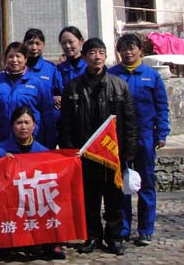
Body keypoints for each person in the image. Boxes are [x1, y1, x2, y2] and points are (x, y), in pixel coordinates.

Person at [60, 38, 137, 256]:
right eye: (92, 53)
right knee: (89, 198)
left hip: (112, 151)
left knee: (114, 197)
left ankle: (115, 237)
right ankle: (92, 235)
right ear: (84, 57)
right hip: (85, 152)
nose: (97, 57)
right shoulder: (73, 87)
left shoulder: (119, 85)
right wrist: (69, 149)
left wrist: (129, 148)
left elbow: (130, 120)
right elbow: (66, 123)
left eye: (101, 52)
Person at [110, 33, 170, 246]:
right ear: (119, 52)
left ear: (140, 51)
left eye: (132, 48)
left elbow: (161, 106)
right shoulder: (112, 75)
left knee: (146, 183)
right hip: (119, 137)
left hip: (145, 135)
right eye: (124, 49)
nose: (128, 52)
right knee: (121, 184)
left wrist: (162, 133)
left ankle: (145, 229)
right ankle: (123, 228)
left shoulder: (151, 76)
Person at [0, 107, 66, 260]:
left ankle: (49, 242)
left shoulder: (43, 152)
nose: (23, 127)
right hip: (8, 200)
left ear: (34, 126)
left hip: (34, 200)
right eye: (19, 123)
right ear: (12, 126)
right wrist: (0, 164)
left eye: (27, 122)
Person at [0, 42, 42, 145]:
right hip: (2, 140)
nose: (14, 60)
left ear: (25, 59)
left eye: (18, 56)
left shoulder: (36, 83)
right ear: (5, 59)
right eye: (10, 56)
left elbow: (46, 112)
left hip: (29, 141)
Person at [23, 29, 62, 149]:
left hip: (45, 125)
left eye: (38, 43)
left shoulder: (51, 69)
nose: (34, 47)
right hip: (23, 124)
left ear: (43, 45)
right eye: (30, 43)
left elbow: (59, 93)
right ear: (24, 44)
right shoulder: (20, 68)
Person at [56, 26, 86, 91]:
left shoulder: (90, 66)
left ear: (81, 41)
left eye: (71, 42)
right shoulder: (59, 69)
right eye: (63, 43)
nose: (67, 46)